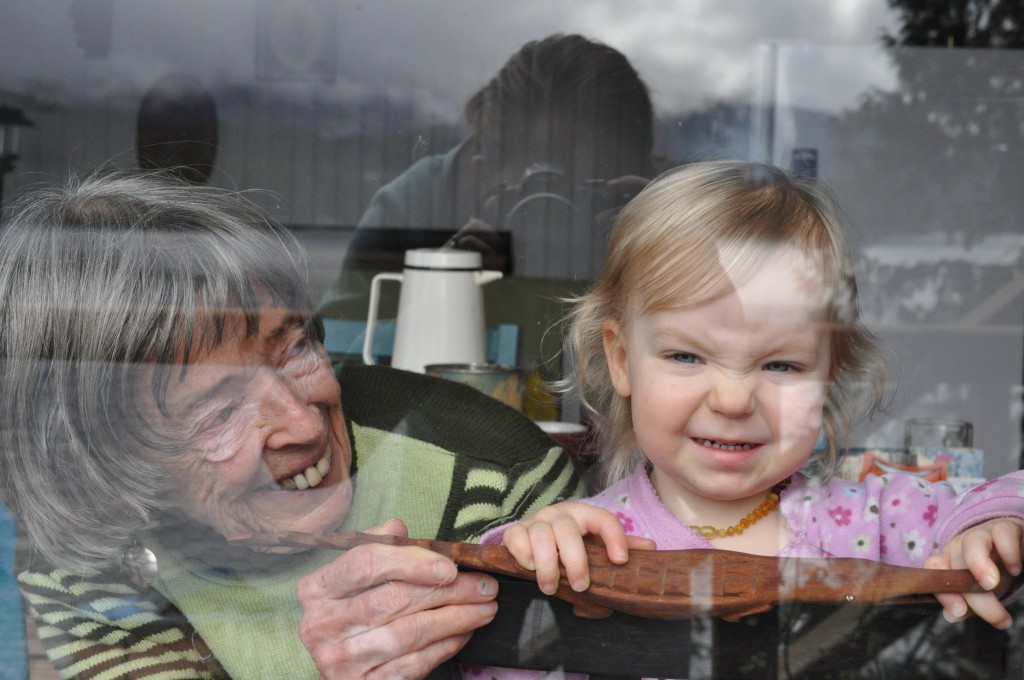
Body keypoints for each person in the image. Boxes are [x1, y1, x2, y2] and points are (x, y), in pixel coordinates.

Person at [0, 172, 584, 679]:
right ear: (107, 456)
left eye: (295, 349)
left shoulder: (492, 476)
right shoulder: (82, 551)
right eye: (220, 411)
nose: (303, 424)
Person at [481, 161, 1024, 654]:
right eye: (687, 356)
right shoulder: (592, 548)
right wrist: (521, 561)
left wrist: (992, 525)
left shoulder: (878, 521)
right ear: (621, 359)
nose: (734, 400)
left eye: (781, 366)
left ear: (829, 371)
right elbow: (492, 655)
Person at [319, 33, 657, 372]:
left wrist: (652, 260)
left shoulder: (664, 213)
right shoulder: (417, 206)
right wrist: (445, 286)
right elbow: (332, 365)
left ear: (633, 177)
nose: (554, 214)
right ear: (480, 171)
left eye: (583, 190)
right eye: (532, 188)